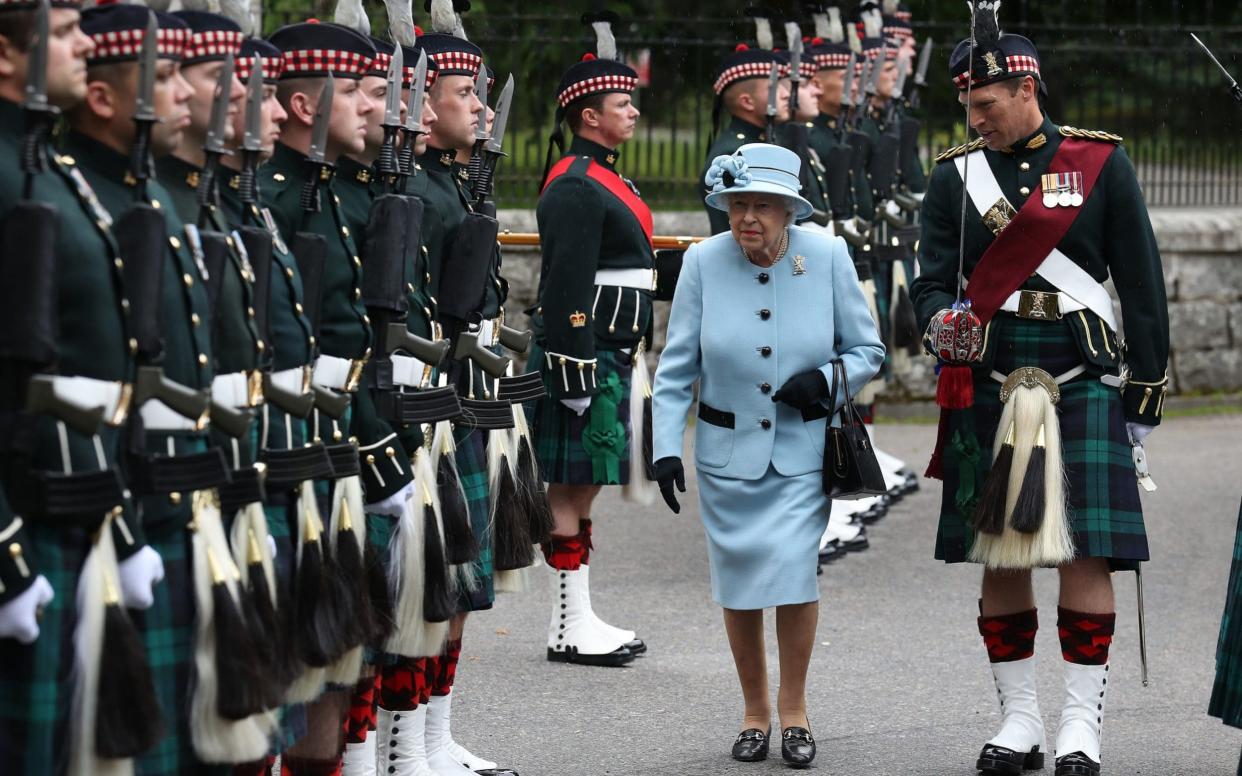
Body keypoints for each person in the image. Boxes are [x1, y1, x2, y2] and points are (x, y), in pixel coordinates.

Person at [909, 3, 1168, 775]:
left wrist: (1143, 394)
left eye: (986, 106)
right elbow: (927, 283)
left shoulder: (1099, 164)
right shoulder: (953, 176)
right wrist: (939, 322)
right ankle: (1018, 720)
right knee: (1002, 553)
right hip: (991, 378)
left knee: (1086, 553)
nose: (977, 119)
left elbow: (1143, 285)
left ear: (1026, 88)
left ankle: (1081, 725)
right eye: (969, 108)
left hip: (1081, 377)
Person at [651, 143, 883, 767]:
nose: (746, 217)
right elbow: (676, 369)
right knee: (740, 586)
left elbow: (868, 351)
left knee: (793, 575)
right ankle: (754, 713)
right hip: (727, 459)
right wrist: (664, 448)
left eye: (760, 206)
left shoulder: (827, 255)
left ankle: (794, 711)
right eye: (737, 204)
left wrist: (826, 382)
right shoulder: (702, 261)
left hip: (799, 455)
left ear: (787, 211)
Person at [0, 0, 152, 771]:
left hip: (77, 495)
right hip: (24, 514)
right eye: (63, 34)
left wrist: (118, 526)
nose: (84, 45)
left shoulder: (49, 168)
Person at [527, 11, 650, 669]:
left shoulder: (604, 174)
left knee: (584, 486)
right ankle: (566, 625)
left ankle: (578, 615)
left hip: (611, 351)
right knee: (567, 488)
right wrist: (574, 369)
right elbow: (566, 283)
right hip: (585, 353)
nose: (632, 113)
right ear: (588, 113)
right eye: (621, 103)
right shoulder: (575, 182)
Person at [699, 14, 788, 236]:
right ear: (746, 101)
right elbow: (733, 232)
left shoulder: (764, 142)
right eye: (774, 89)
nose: (786, 95)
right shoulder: (732, 153)